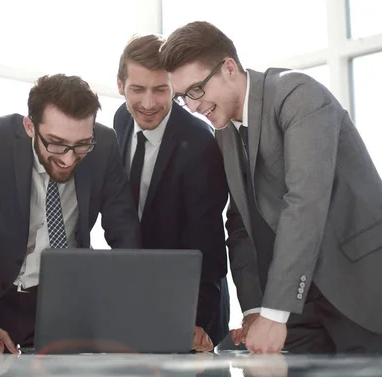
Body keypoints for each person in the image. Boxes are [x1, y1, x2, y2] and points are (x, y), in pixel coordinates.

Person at [160, 21, 382, 353]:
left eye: (196, 90)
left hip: (358, 286)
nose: (192, 106)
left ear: (230, 69)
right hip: (298, 304)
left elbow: (304, 202)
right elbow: (240, 223)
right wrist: (254, 309)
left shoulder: (298, 95)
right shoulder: (225, 133)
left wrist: (275, 313)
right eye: (182, 98)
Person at [0, 73, 142, 353]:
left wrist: (127, 312)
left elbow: (124, 233)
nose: (68, 158)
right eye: (56, 143)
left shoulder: (105, 145)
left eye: (81, 145)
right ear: (30, 127)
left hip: (69, 303)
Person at [113, 34, 229, 351]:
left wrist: (199, 321)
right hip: (136, 297)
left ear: (174, 88)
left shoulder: (201, 143)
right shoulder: (122, 118)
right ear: (120, 85)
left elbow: (208, 242)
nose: (148, 104)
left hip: (189, 300)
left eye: (161, 90)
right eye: (137, 89)